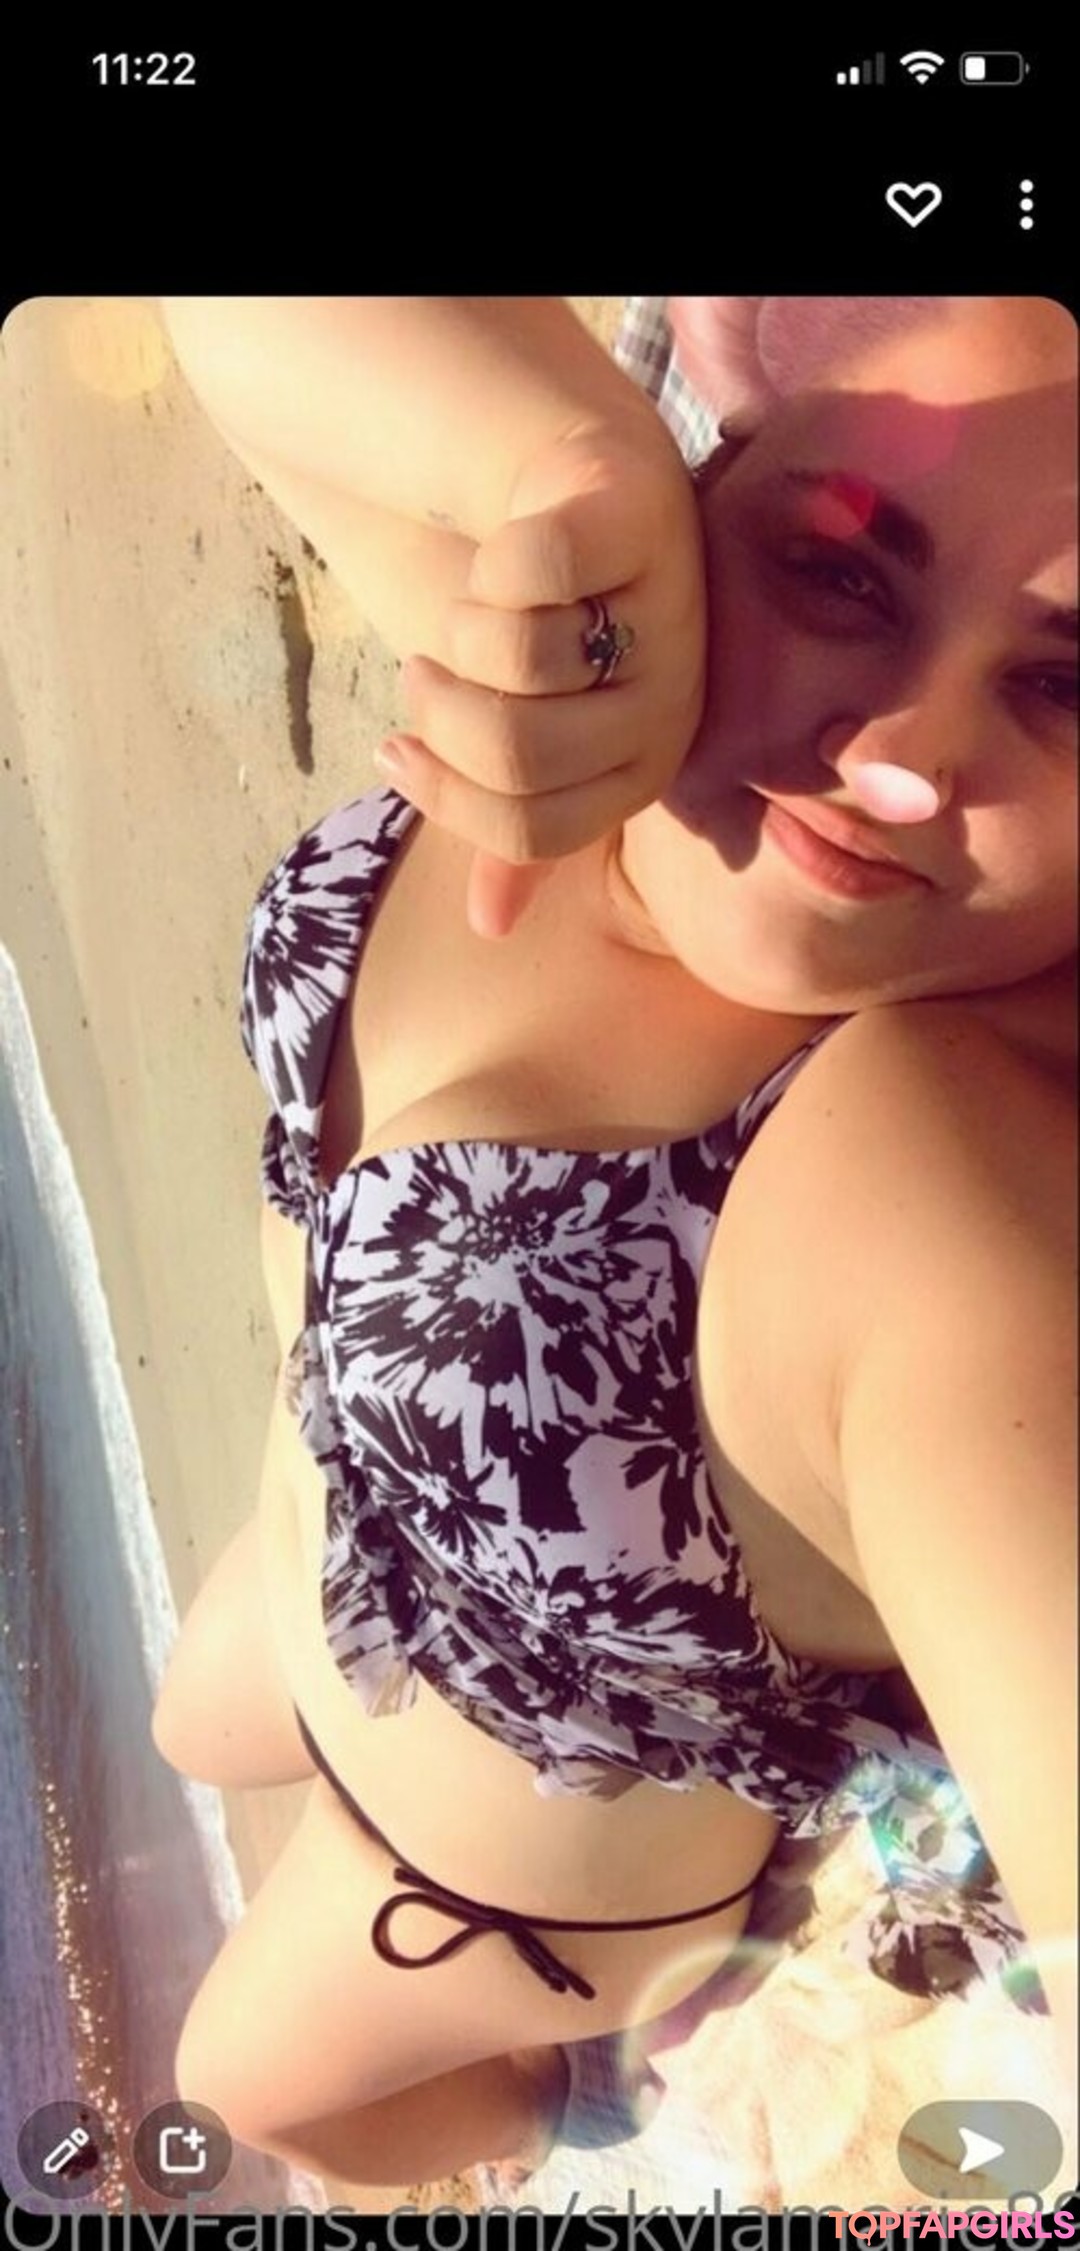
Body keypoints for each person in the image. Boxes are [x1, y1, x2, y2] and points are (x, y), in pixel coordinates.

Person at [150, 296, 1077, 2194]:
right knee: (185, 1722)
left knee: (245, 2088)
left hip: (497, 1881)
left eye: (1075, 692)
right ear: (716, 473)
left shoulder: (919, 1171)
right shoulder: (588, 717)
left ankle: (572, 2089)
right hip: (355, 1522)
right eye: (841, 571)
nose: (897, 758)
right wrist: (559, 464)